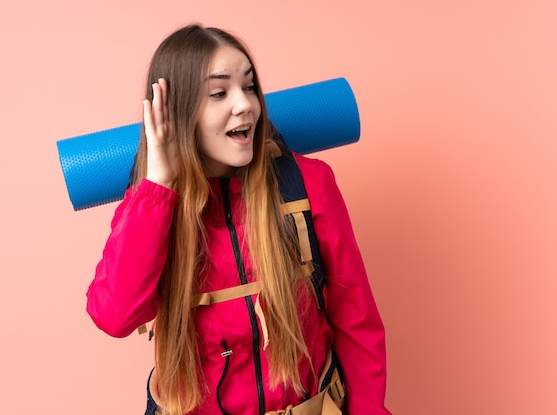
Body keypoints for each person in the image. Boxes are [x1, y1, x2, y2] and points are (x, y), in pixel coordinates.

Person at [86, 24, 391, 415]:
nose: (245, 104)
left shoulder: (310, 184)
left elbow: (357, 320)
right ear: (178, 113)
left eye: (249, 87)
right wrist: (159, 186)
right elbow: (115, 316)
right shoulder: (149, 207)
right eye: (219, 93)